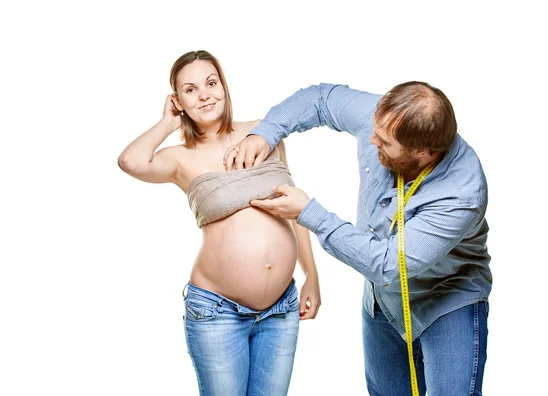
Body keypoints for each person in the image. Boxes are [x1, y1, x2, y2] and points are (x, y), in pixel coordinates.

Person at [224, 82, 492, 396]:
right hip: (383, 301)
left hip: (446, 300)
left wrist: (309, 213)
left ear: (424, 152)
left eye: (384, 142)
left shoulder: (462, 194)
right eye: (375, 128)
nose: (370, 138)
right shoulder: (387, 119)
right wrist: (264, 132)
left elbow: (388, 263)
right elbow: (321, 99)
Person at [117, 50, 321, 396]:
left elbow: (293, 207)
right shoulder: (179, 157)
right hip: (217, 313)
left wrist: (311, 276)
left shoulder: (263, 133)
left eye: (211, 83)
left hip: (281, 309)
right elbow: (129, 161)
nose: (204, 95)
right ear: (178, 100)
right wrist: (167, 123)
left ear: (224, 87)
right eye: (190, 90)